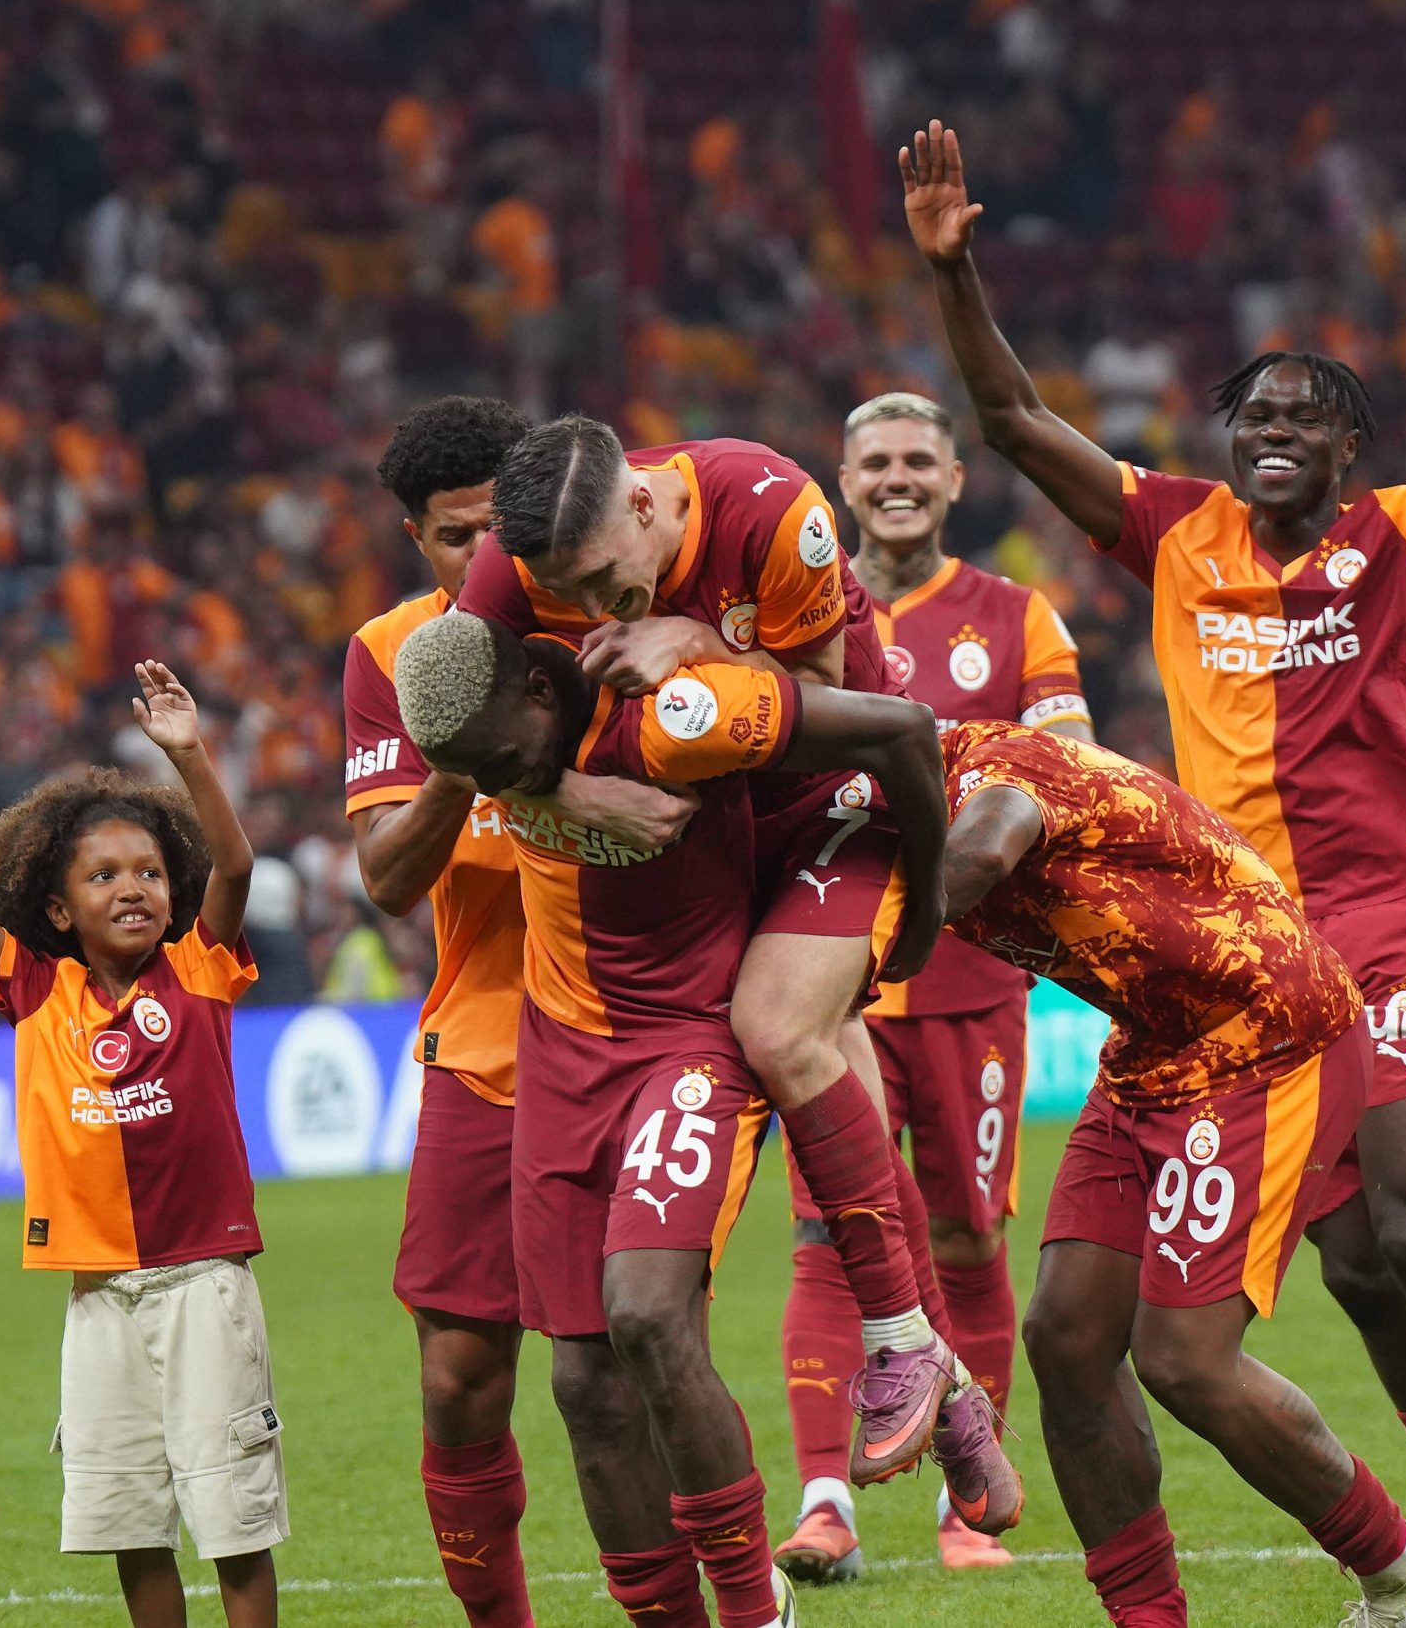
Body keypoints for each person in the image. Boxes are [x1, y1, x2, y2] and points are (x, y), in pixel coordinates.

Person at [906, 69, 1406, 1621]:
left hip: (1390, 920)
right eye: (1255, 415)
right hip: (1234, 948)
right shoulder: (1175, 530)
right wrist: (953, 266)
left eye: (1306, 418)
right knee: (1348, 1271)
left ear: (1351, 447)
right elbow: (1011, 419)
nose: (1275, 432)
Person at [389, 608, 996, 1627]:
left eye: (497, 760)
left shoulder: (677, 710)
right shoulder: (498, 741)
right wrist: (548, 785)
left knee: (645, 1310)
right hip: (560, 1051)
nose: (496, 784)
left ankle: (760, 1612)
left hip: (691, 1038)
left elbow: (897, 726)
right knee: (583, 1380)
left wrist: (920, 902)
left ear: (540, 694)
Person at [463, 417, 1010, 1497]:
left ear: (642, 505)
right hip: (715, 818)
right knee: (828, 1081)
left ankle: (903, 1340)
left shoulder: (772, 509)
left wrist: (695, 643)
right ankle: (943, 1377)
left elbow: (831, 701)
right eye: (562, 592)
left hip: (828, 798)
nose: (593, 611)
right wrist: (571, 789)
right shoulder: (514, 567)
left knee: (776, 1028)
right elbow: (463, 723)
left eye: (607, 582)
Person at [939, 720, 1406, 1628]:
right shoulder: (869, 813)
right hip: (1149, 1049)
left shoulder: (994, 764)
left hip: (1265, 1038)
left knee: (1183, 1357)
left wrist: (876, 929)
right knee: (1067, 1336)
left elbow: (988, 842)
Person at [0, 668, 283, 1628]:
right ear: (60, 909)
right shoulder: (35, 989)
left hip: (203, 1280)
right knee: (130, 1521)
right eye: (104, 875)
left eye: (150, 872)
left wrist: (190, 756)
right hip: (96, 1292)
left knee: (234, 1521)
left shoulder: (200, 970)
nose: (133, 888)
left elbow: (232, 867)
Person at [349, 394, 704, 1626]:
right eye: (454, 541)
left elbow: (685, 823)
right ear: (415, 540)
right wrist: (466, 746)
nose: (483, 564)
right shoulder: (391, 654)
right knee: (458, 1379)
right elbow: (389, 878)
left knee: (623, 1366)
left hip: (629, 1033)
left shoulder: (620, 619)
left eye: (496, 532)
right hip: (485, 1048)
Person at [775, 389, 1096, 1581]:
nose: (898, 477)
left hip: (971, 984)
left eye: (920, 459)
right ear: (842, 481)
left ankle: (969, 1502)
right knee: (828, 1232)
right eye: (876, 462)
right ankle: (824, 1504)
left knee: (965, 1232)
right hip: (829, 984)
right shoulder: (794, 611)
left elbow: (1061, 775)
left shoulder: (1019, 619)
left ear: (957, 479)